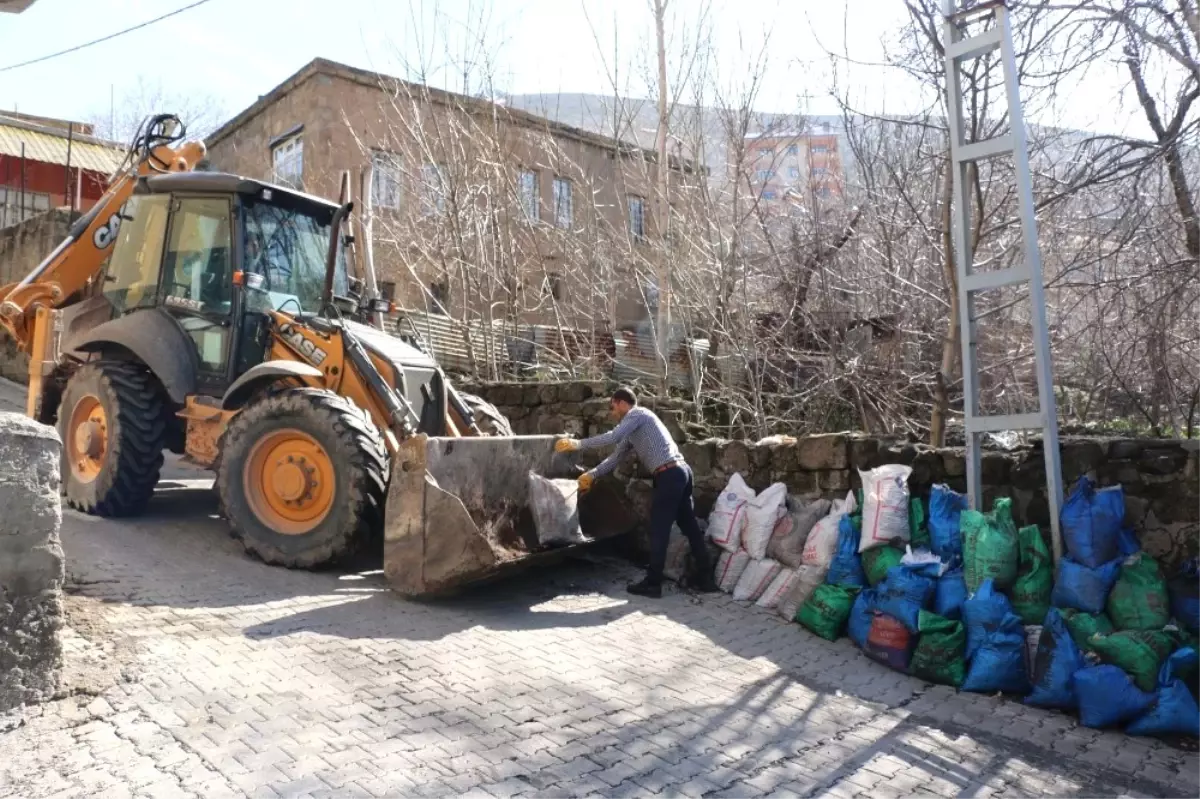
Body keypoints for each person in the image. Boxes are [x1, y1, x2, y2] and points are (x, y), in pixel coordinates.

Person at [555, 387, 717, 598]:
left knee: (660, 529)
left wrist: (578, 444)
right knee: (689, 526)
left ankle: (653, 583)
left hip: (670, 475)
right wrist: (592, 475)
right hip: (680, 473)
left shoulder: (638, 414)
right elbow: (615, 458)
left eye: (613, 407)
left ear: (622, 402)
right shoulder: (634, 430)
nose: (613, 413)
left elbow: (614, 436)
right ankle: (706, 579)